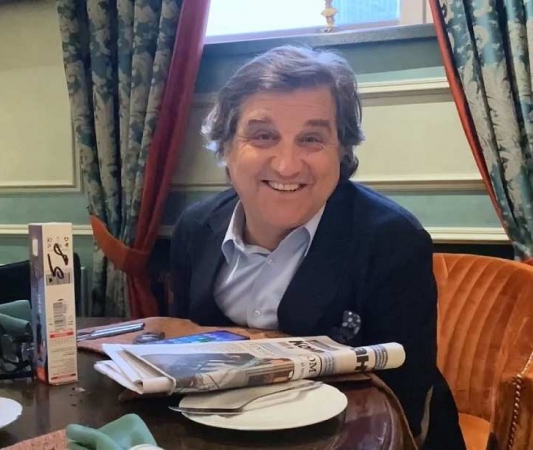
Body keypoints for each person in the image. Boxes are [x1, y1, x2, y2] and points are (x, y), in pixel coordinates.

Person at [170, 46, 465, 449]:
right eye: (263, 136)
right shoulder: (194, 230)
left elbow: (405, 398)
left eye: (311, 139)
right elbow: (184, 360)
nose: (287, 165)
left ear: (342, 151)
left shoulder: (393, 241)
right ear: (225, 146)